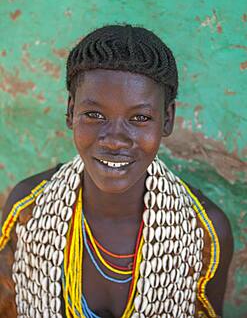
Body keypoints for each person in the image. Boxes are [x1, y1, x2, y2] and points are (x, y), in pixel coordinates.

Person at [0, 24, 233, 318]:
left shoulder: (205, 234)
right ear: (71, 112)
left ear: (167, 119)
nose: (114, 139)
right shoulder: (28, 210)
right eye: (95, 115)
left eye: (140, 117)